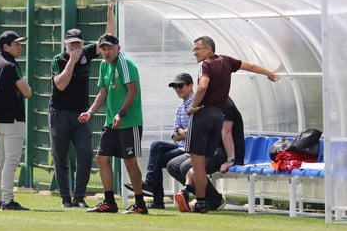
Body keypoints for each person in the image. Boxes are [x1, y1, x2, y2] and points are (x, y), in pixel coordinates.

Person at [185, 35, 276, 213]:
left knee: (198, 163)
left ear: (209, 49)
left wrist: (193, 106)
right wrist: (268, 73)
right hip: (218, 116)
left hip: (203, 114)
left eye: (198, 48)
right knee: (204, 161)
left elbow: (203, 86)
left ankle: (202, 202)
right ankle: (201, 200)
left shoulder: (205, 65)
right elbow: (250, 66)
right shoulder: (226, 61)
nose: (194, 52)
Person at [48, 0, 115, 208]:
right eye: (72, 45)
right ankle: (65, 198)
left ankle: (79, 197)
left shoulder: (87, 52)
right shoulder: (58, 60)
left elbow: (109, 38)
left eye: (78, 44)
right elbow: (60, 85)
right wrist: (71, 62)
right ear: (65, 45)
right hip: (59, 113)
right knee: (60, 156)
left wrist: (109, 11)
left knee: (85, 155)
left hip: (80, 113)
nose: (76, 48)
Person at [78, 33, 148, 214]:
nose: (106, 52)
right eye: (103, 49)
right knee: (102, 158)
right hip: (111, 122)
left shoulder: (125, 63)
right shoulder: (103, 65)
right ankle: (109, 202)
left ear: (118, 48)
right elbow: (103, 92)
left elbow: (133, 90)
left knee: (129, 161)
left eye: (110, 48)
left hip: (129, 121)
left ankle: (140, 204)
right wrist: (90, 112)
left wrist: (121, 113)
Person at [124, 73, 195, 209]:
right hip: (180, 146)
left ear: (190, 85)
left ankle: (155, 195)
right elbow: (174, 134)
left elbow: (190, 133)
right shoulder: (180, 107)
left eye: (180, 86)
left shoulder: (196, 103)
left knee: (157, 153)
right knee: (157, 150)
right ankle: (155, 194)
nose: (178, 89)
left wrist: (181, 132)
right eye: (175, 87)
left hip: (190, 149)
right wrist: (181, 132)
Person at [169, 97, 245, 212]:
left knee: (186, 167)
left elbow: (227, 134)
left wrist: (230, 160)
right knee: (173, 165)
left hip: (224, 152)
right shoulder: (207, 105)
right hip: (208, 149)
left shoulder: (226, 106)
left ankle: (192, 193)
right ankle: (213, 199)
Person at [0, 30, 32, 211]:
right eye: (16, 44)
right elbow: (27, 92)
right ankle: (7, 200)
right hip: (12, 118)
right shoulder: (11, 65)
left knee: (1, 159)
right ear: (6, 46)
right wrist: (23, 87)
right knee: (10, 160)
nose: (20, 47)